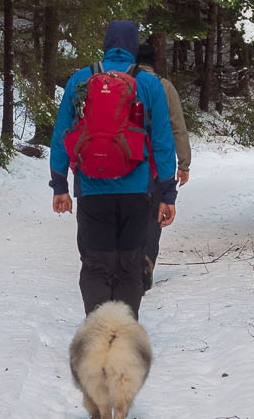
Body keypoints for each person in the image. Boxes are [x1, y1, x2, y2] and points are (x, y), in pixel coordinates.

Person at [50, 20, 177, 318]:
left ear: (106, 44)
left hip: (91, 189)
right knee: (129, 264)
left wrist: (60, 185)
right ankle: (123, 333)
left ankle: (98, 330)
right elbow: (162, 141)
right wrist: (167, 194)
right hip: (136, 191)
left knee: (96, 263)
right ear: (133, 48)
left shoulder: (81, 80)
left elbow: (61, 136)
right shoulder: (149, 85)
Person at [136, 41, 191, 291]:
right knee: (153, 218)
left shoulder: (122, 83)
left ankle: (126, 264)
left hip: (127, 164)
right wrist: (184, 163)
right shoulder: (164, 86)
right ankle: (146, 262)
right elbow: (177, 126)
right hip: (158, 165)